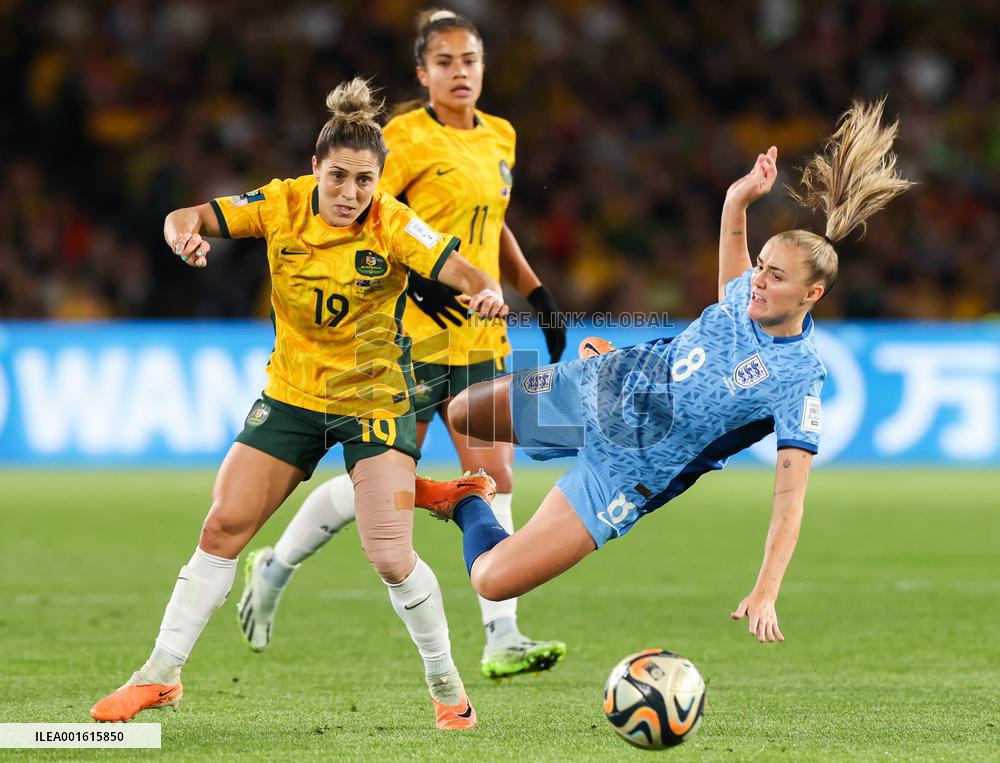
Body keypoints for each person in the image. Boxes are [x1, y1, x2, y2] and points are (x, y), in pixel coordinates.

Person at [90, 78, 509, 729]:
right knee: (223, 525)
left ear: (380, 180)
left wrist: (484, 292)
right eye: (337, 176)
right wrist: (183, 235)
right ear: (314, 168)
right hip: (290, 396)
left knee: (391, 558)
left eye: (364, 181)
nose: (349, 193)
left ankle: (447, 685)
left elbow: (462, 269)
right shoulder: (281, 204)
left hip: (373, 400)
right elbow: (189, 215)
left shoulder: (393, 222)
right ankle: (160, 675)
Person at [412, 99, 913, 643]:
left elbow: (790, 499)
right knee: (464, 411)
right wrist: (738, 198)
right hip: (603, 388)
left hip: (624, 477)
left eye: (775, 277)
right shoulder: (745, 295)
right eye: (761, 267)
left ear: (812, 294)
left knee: (492, 580)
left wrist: (766, 589)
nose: (759, 281)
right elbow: (733, 249)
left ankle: (466, 499)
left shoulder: (799, 378)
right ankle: (595, 363)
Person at [237, 8, 567, 680]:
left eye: (469, 60)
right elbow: (366, 222)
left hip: (479, 334)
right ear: (422, 72)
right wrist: (417, 290)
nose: (459, 72)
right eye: (444, 62)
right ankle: (276, 565)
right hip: (401, 343)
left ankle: (502, 634)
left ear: (483, 67)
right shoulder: (403, 140)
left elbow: (492, 223)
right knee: (381, 488)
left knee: (495, 477)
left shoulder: (501, 136)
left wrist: (536, 292)